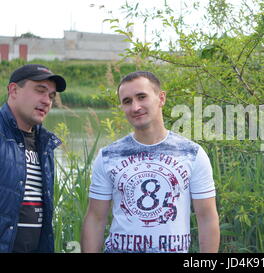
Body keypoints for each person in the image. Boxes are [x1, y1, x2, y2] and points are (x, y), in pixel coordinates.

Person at [81, 71, 220, 253]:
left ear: (161, 98)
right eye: (127, 101)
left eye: (141, 97)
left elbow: (207, 217)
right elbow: (95, 218)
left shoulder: (191, 153)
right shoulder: (108, 156)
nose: (135, 107)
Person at [0, 64, 66, 252]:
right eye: (40, 91)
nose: (47, 101)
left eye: (51, 96)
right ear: (14, 90)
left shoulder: (45, 145)